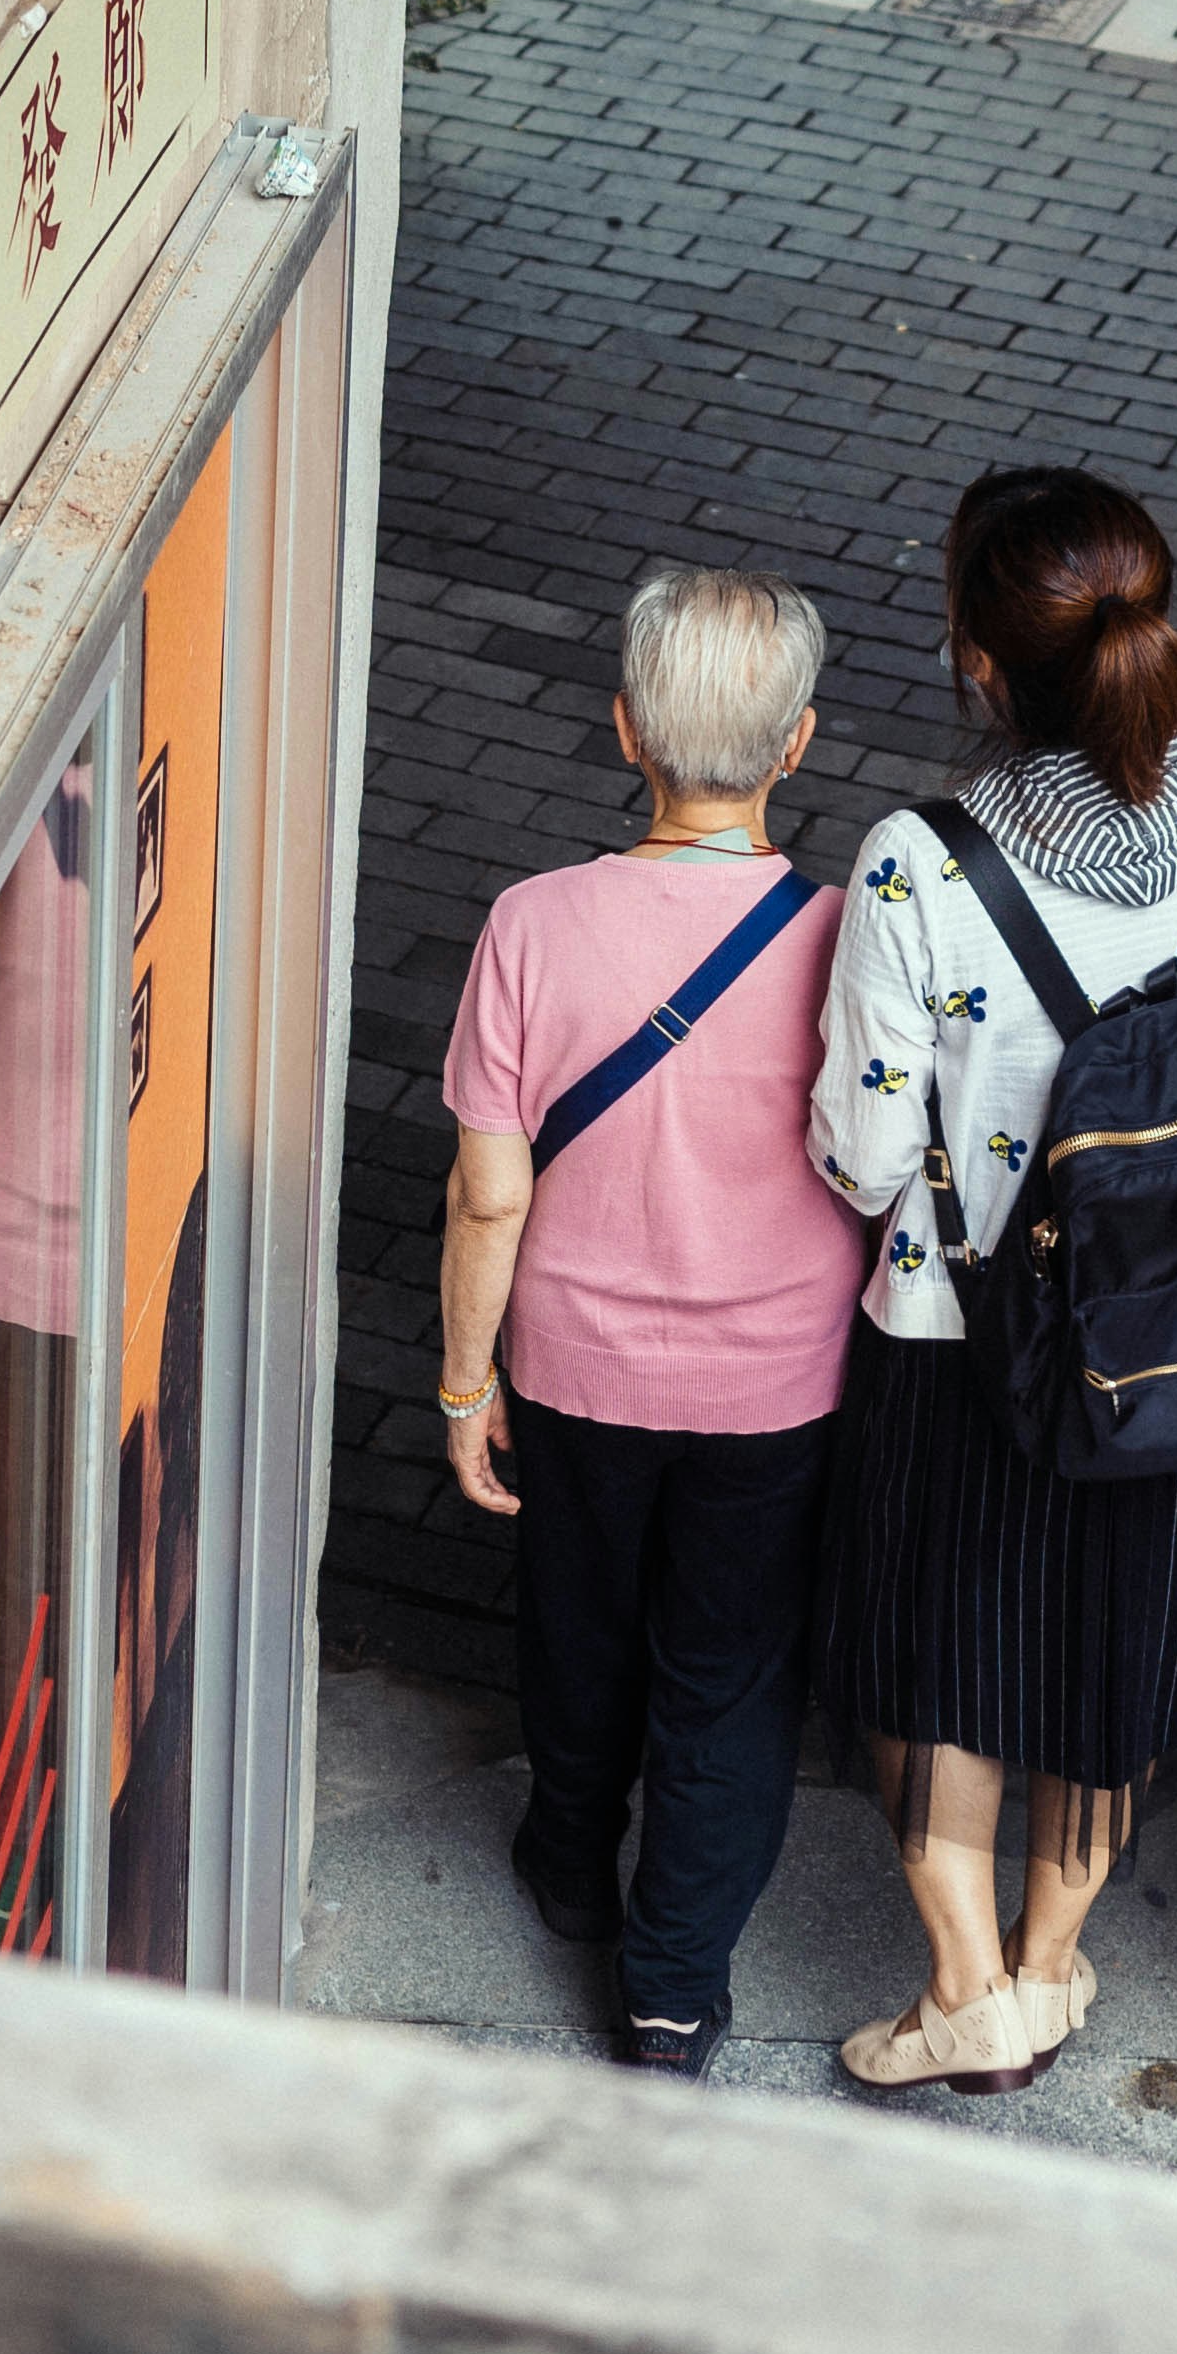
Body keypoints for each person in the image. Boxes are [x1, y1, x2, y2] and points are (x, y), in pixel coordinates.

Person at [809, 466, 1177, 2099]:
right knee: (1124, 1650)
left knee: (937, 1656)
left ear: (978, 657)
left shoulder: (918, 864)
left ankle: (967, 1991)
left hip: (965, 1338)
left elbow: (864, 1157)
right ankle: (1051, 1963)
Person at [438, 563, 864, 2080]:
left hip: (575, 1371)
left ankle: (566, 1864)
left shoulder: (533, 926)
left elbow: (492, 1194)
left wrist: (457, 1383)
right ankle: (673, 1985)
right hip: (782, 1386)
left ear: (624, 729)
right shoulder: (846, 938)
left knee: (579, 1628)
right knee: (730, 1673)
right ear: (798, 745)